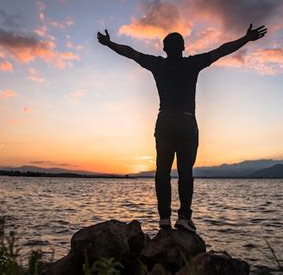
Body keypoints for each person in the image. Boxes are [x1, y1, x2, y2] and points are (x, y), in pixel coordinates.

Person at [97, 24, 267, 232]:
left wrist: (109, 43)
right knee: (185, 172)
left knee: (162, 172)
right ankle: (184, 217)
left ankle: (164, 219)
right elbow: (222, 50)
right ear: (184, 48)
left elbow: (131, 53)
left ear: (164, 49)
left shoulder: (157, 64)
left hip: (165, 121)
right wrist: (246, 38)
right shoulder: (192, 63)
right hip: (186, 122)